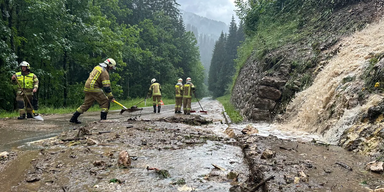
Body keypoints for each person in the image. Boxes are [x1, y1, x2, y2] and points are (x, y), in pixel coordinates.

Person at [69, 58, 117, 124]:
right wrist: (110, 97)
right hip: (94, 88)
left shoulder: (97, 67)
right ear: (109, 66)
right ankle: (103, 120)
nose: (111, 69)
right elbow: (106, 87)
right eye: (111, 68)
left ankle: (73, 118)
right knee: (105, 102)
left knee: (86, 104)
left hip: (87, 87)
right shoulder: (104, 72)